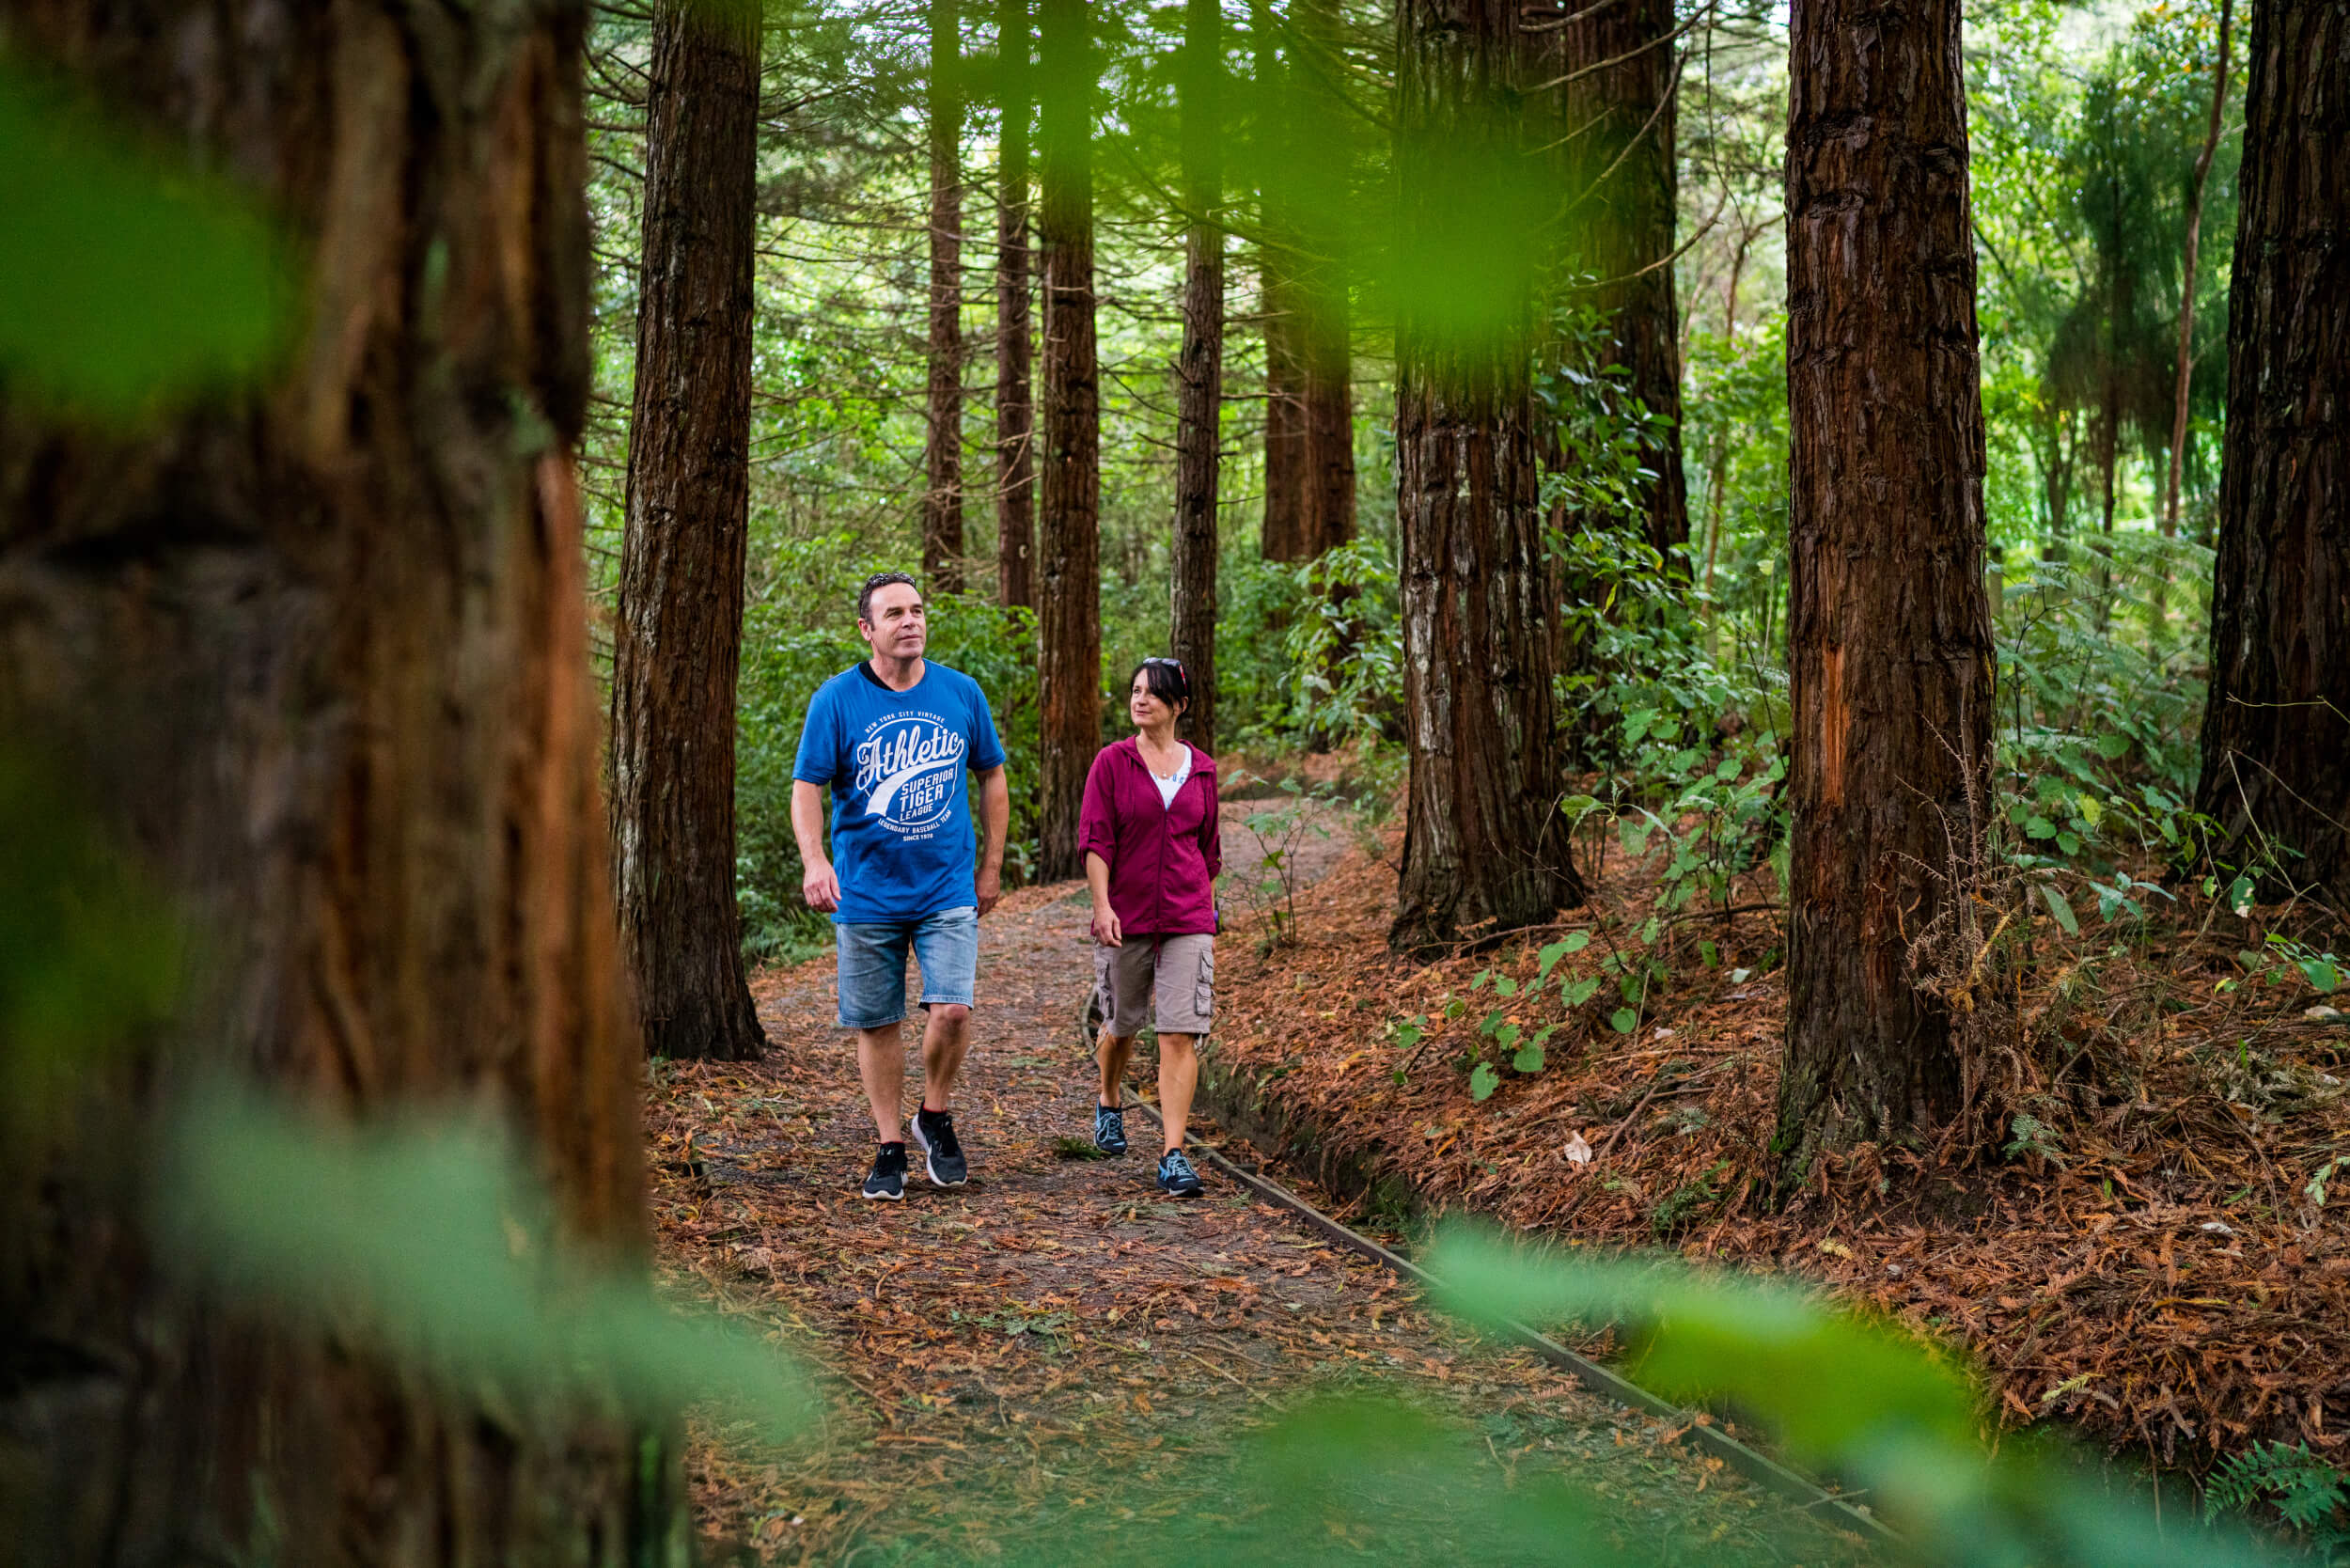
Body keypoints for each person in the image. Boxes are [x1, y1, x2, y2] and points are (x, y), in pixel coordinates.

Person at [791, 572, 1010, 1201]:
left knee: (954, 1009)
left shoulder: (960, 693)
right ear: (867, 629)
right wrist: (814, 860)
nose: (910, 621)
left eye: (917, 611)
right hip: (867, 890)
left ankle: (933, 1116)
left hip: (945, 886)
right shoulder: (837, 699)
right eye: (894, 614)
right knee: (877, 1022)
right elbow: (807, 786)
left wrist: (991, 865)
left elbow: (992, 776)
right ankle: (891, 1146)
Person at [1079, 656, 1220, 1198]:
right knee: (1121, 1025)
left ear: (1179, 706)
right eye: (1135, 691)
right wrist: (1102, 906)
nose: (1140, 700)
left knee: (1179, 1032)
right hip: (1126, 914)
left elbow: (1208, 849)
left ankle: (1173, 1153)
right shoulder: (1112, 763)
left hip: (1186, 916)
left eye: (1153, 693)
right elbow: (1096, 840)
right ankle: (1109, 1099)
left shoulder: (1202, 770)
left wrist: (1206, 910)